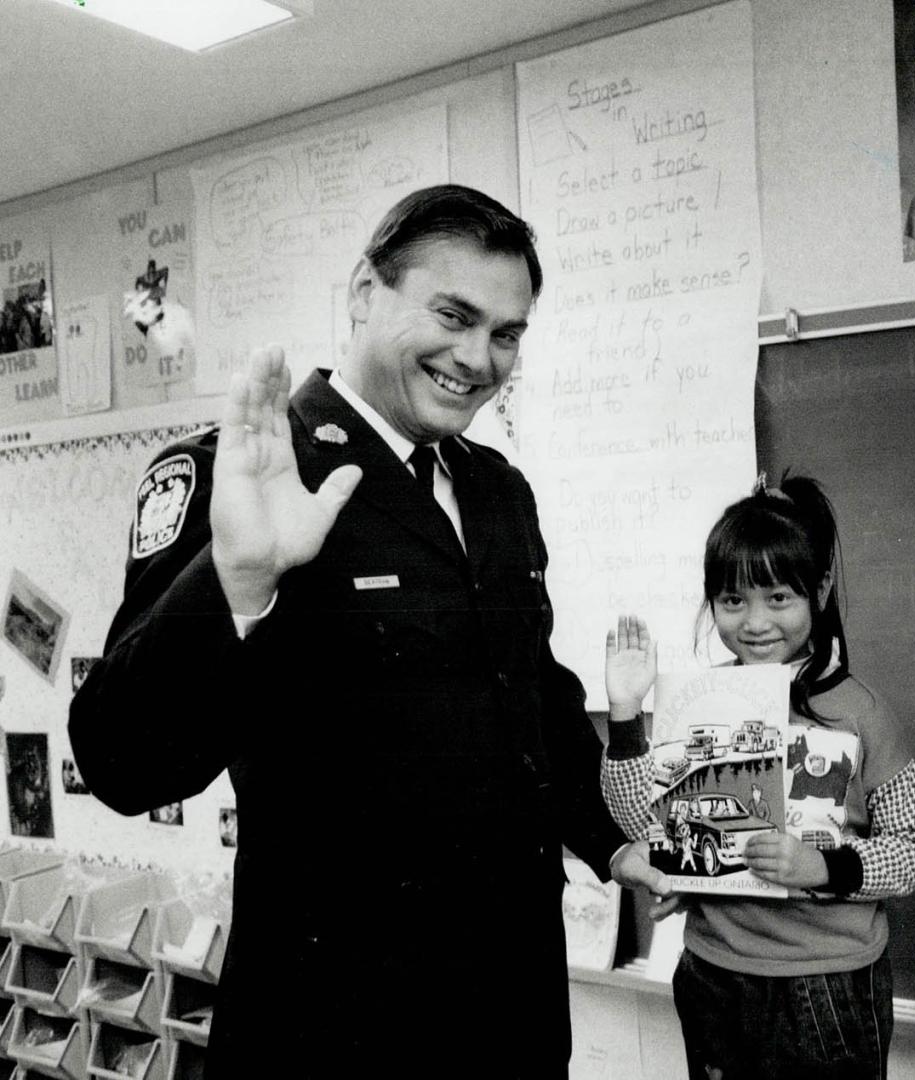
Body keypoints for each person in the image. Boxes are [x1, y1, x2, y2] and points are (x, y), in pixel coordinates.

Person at [68, 184, 666, 1077]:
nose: (478, 357)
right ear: (363, 293)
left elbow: (530, 696)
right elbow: (121, 760)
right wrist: (238, 579)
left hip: (510, 1011)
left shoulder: (498, 491)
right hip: (337, 1023)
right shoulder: (245, 471)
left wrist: (612, 840)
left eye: (507, 333)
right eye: (453, 315)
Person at [601, 474, 915, 1080]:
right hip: (713, 972)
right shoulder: (705, 702)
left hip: (826, 984)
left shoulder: (859, 711)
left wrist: (824, 867)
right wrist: (626, 717)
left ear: (820, 590)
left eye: (778, 598)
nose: (755, 622)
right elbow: (645, 827)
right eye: (733, 602)